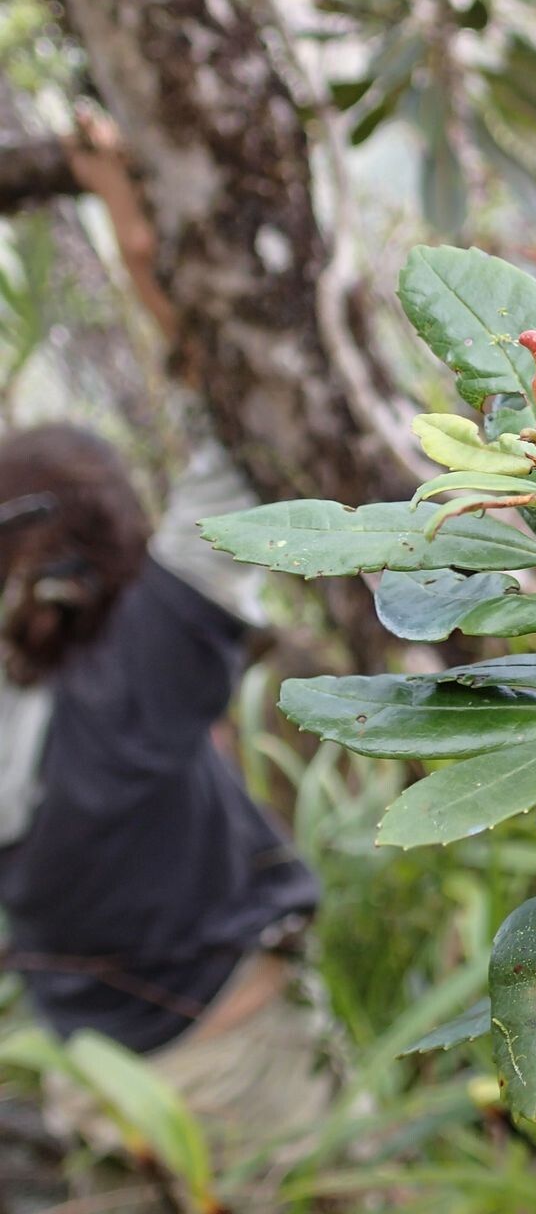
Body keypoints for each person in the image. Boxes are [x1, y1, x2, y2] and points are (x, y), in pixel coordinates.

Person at [0, 425, 329, 1174]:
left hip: (94, 1078)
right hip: (236, 1072)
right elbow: (232, 471)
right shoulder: (131, 677)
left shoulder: (45, 694)